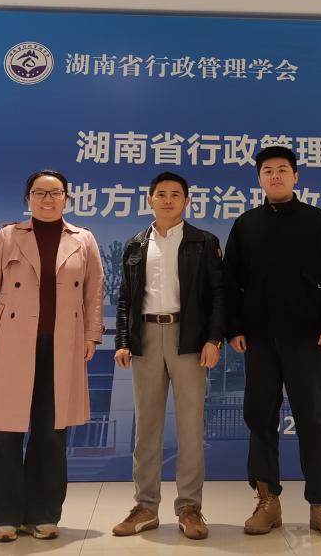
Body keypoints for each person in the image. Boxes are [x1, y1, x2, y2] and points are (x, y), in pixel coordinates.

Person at [0, 170, 104, 542]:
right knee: (3, 430)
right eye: (39, 192)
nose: (47, 199)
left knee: (51, 432)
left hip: (63, 343)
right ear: (28, 198)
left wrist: (92, 335)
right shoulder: (7, 236)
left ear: (66, 198)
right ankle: (4, 516)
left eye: (55, 193)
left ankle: (43, 513)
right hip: (9, 341)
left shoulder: (83, 239)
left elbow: (94, 293)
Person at [223, 145, 321, 539]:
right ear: (259, 179)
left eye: (282, 169)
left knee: (312, 419)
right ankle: (267, 500)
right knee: (259, 418)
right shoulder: (246, 225)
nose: (275, 176)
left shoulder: (316, 221)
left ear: (296, 176)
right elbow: (230, 282)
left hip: (306, 338)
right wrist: (234, 327)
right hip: (259, 339)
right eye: (268, 171)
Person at [111, 172, 225, 541]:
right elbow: (125, 298)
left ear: (186, 201)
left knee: (190, 426)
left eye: (176, 194)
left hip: (188, 338)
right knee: (147, 426)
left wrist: (213, 339)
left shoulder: (203, 242)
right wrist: (123, 341)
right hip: (145, 337)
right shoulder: (135, 244)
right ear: (150, 200)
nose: (168, 200)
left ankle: (190, 507)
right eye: (161, 194)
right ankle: (145, 506)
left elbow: (218, 295)